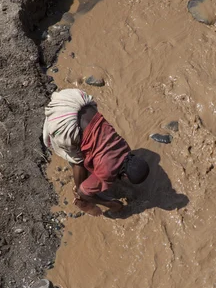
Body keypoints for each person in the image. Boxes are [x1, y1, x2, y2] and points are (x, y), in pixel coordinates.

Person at [43, 88, 149, 216]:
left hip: (73, 99)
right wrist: (109, 204)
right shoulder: (107, 172)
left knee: (89, 151)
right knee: (79, 162)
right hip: (64, 126)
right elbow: (86, 190)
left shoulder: (124, 146)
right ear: (125, 176)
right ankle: (80, 200)